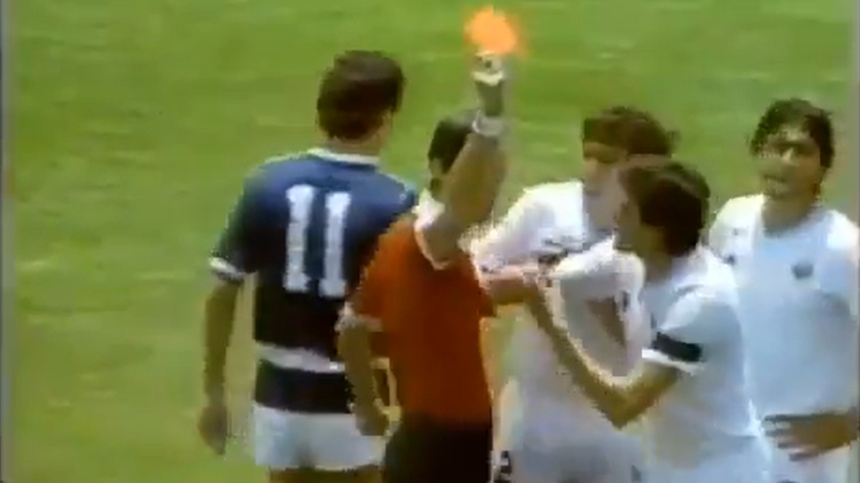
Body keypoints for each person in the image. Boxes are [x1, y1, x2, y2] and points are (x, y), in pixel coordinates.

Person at [197, 50, 417, 483]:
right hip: (354, 399)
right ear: (387, 117)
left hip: (277, 397)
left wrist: (214, 393)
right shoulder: (397, 202)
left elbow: (223, 288)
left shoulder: (268, 183)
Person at [527, 160, 769, 483]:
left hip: (718, 472)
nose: (615, 215)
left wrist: (553, 326)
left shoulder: (701, 301)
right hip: (665, 465)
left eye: (627, 210)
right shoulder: (630, 257)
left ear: (656, 231)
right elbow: (552, 277)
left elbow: (623, 406)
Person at [470, 106, 675, 483]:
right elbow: (471, 278)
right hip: (535, 414)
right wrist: (518, 284)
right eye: (588, 155)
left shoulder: (662, 233)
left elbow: (662, 341)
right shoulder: (543, 207)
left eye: (608, 160)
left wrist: (592, 296)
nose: (592, 169)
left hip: (615, 421)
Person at [336, 53, 512, 483]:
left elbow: (352, 327)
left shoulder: (405, 238)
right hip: (445, 446)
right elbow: (463, 210)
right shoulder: (427, 238)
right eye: (481, 173)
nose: (491, 187)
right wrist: (489, 121)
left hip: (429, 438)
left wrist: (367, 405)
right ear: (437, 169)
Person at [709, 98, 859, 483]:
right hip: (725, 449)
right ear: (758, 150)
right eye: (778, 146)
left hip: (800, 464)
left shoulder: (843, 247)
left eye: (802, 151)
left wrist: (852, 423)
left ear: (823, 167)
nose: (787, 161)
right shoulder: (732, 220)